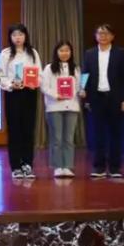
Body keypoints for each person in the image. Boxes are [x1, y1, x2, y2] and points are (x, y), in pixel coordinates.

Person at [80, 23, 124, 178]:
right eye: (100, 33)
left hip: (116, 98)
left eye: (106, 34)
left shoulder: (120, 53)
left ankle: (115, 167)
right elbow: (85, 74)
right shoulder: (90, 53)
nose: (102, 36)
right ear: (95, 36)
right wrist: (83, 90)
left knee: (116, 133)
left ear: (112, 36)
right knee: (98, 134)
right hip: (96, 98)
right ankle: (99, 167)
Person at [0, 23, 42, 179]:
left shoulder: (33, 53)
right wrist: (11, 84)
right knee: (14, 130)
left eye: (20, 34)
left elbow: (39, 74)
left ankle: (27, 164)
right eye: (14, 35)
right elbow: (1, 75)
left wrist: (34, 82)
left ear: (25, 36)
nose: (18, 38)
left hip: (29, 93)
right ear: (10, 37)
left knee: (28, 129)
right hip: (13, 94)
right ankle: (16, 166)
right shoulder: (5, 54)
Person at [41, 40, 82, 178]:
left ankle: (68, 166)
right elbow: (44, 87)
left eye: (67, 50)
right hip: (54, 107)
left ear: (71, 52)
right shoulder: (49, 68)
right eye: (61, 50)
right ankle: (58, 166)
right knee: (57, 138)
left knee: (69, 139)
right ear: (56, 52)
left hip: (72, 106)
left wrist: (81, 91)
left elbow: (78, 87)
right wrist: (55, 95)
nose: (64, 53)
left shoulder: (75, 68)